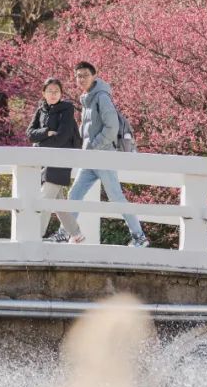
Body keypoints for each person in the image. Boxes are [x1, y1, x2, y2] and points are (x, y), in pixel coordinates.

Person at [66, 61, 149, 248]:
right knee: (74, 193)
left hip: (103, 156)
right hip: (90, 158)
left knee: (116, 197)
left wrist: (94, 145)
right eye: (78, 76)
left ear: (94, 76)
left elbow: (112, 127)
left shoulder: (101, 97)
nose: (81, 79)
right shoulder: (86, 98)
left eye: (85, 75)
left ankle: (139, 236)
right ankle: (68, 233)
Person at [28, 78, 85, 243]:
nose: (53, 94)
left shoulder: (67, 109)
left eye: (56, 91)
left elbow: (62, 138)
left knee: (45, 199)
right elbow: (30, 133)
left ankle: (35, 235)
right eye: (50, 91)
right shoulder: (41, 110)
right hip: (46, 161)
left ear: (61, 93)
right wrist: (46, 132)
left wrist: (39, 142)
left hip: (62, 159)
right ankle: (76, 234)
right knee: (57, 202)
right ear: (43, 93)